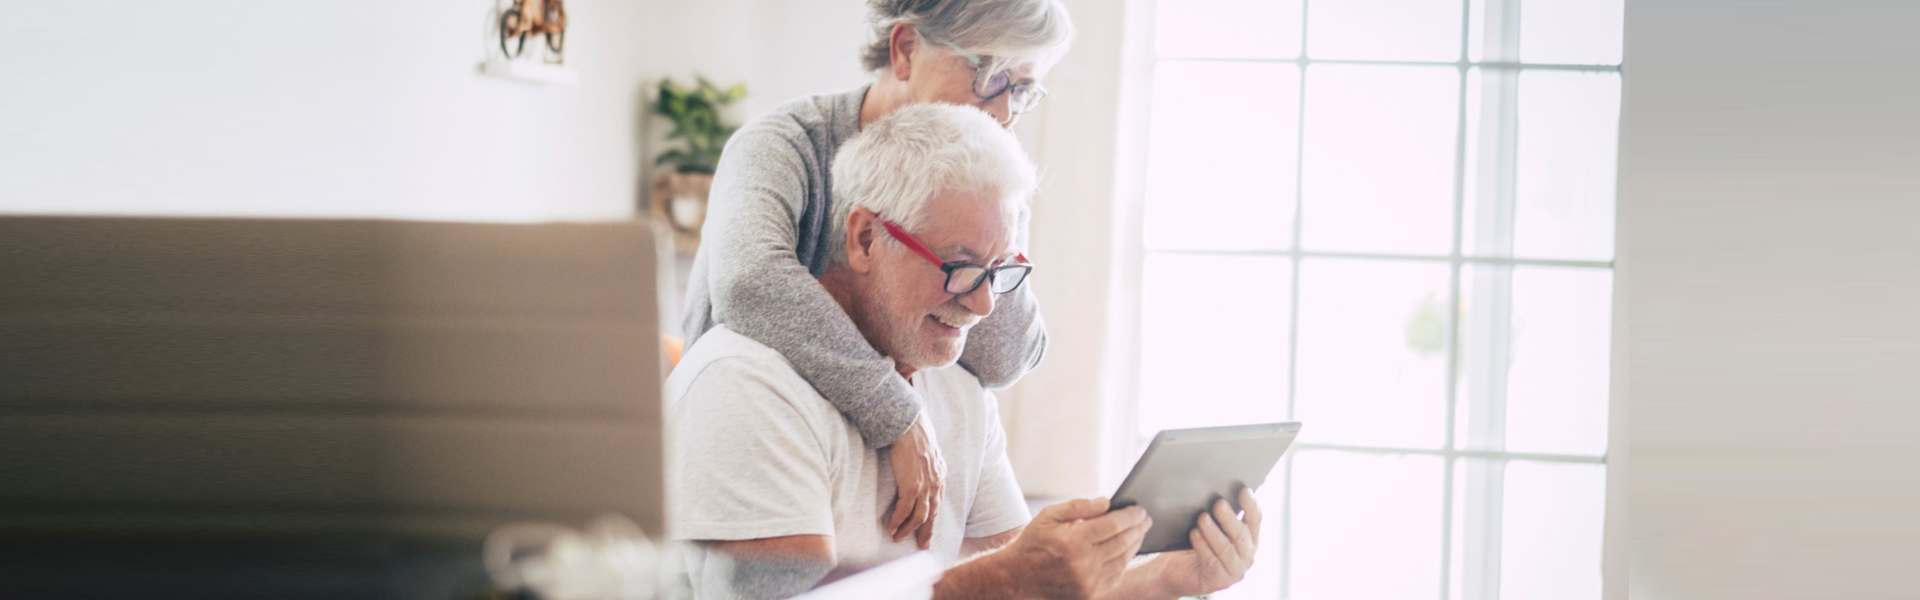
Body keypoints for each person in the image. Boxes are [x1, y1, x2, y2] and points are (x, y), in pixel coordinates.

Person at [667, 104, 1260, 600]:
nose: (982, 307)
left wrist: (1163, 578)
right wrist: (1008, 578)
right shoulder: (745, 385)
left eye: (999, 271)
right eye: (959, 267)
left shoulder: (953, 385)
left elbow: (1030, 585)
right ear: (865, 238)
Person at [680, 0, 1070, 549]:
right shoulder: (784, 145)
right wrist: (895, 411)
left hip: (872, 491)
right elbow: (750, 282)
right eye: (989, 76)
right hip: (751, 456)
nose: (1004, 111)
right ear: (906, 49)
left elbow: (1004, 355)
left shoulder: (987, 169)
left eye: (1024, 89)